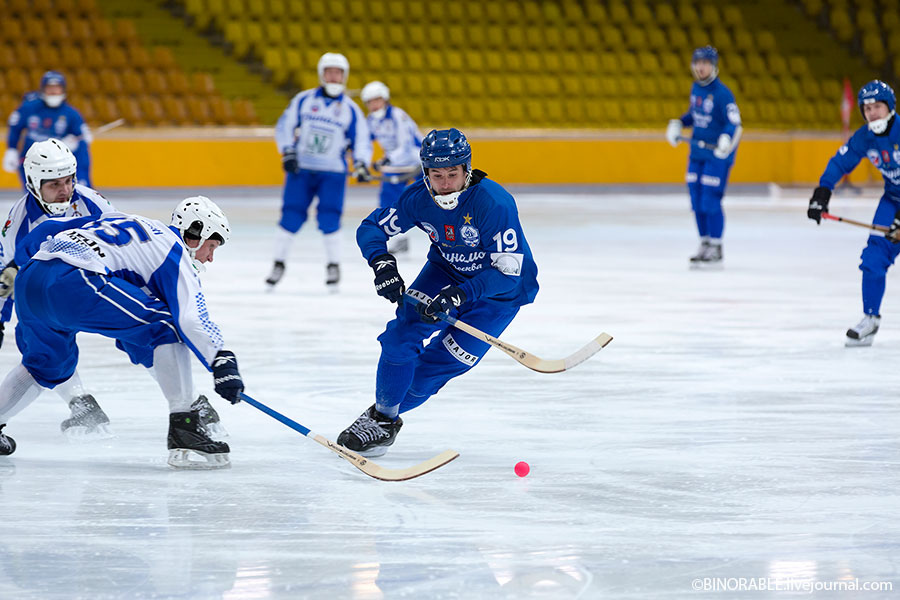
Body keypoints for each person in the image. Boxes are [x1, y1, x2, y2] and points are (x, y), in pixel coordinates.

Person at [0, 140, 225, 439]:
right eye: (54, 184)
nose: (65, 191)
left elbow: (122, 240)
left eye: (69, 181)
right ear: (32, 183)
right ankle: (85, 399)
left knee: (126, 337)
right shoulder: (17, 224)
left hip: (71, 280)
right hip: (62, 282)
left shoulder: (89, 199)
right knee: (155, 326)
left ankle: (185, 399)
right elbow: (5, 279)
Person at [0, 197, 245, 469]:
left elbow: (48, 229)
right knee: (165, 325)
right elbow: (190, 319)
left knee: (45, 365)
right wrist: (222, 359)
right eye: (211, 246)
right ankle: (184, 426)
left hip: (29, 280)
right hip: (73, 280)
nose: (210, 257)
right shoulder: (173, 250)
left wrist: (15, 262)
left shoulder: (122, 220)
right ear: (195, 233)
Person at [337, 128, 539, 457]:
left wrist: (462, 294)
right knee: (400, 337)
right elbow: (371, 227)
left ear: (466, 171)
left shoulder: (494, 203)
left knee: (432, 371)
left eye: (452, 174)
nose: (445, 184)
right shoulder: (418, 198)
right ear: (425, 172)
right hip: (444, 273)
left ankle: (386, 410)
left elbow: (509, 273)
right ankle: (383, 420)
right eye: (436, 175)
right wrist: (382, 264)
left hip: (498, 294)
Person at [268, 52, 373, 290]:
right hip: (302, 169)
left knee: (330, 217)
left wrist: (362, 163)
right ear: (322, 74)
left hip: (333, 172)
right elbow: (285, 125)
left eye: (338, 73)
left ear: (344, 77)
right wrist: (288, 151)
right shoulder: (303, 100)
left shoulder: (350, 109)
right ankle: (279, 262)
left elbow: (362, 140)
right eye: (330, 72)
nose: (334, 77)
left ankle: (333, 265)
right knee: (290, 215)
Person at [807, 80, 900, 347]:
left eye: (877, 107)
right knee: (873, 257)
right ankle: (870, 319)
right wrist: (822, 192)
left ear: (890, 107)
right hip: (892, 200)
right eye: (867, 108)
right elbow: (839, 162)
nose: (872, 113)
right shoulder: (864, 136)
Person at [666, 46, 742, 269]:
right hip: (697, 153)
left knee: (710, 199)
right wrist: (680, 123)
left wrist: (726, 140)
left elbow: (734, 123)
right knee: (696, 200)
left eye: (705, 63)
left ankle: (716, 246)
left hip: (716, 156)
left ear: (714, 66)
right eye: (697, 62)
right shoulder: (696, 89)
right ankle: (704, 242)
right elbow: (695, 115)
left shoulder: (723, 94)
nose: (701, 67)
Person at [360, 80, 423, 254]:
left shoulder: (397, 115)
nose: (374, 105)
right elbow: (364, 143)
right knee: (388, 202)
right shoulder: (371, 120)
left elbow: (406, 145)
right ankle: (400, 240)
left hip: (418, 161)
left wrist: (387, 159)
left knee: (433, 198)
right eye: (370, 102)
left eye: (377, 100)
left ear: (384, 99)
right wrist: (362, 163)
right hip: (396, 164)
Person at [3, 71, 93, 190]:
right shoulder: (29, 108)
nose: (53, 92)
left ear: (63, 90)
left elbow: (82, 136)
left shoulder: (71, 113)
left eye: (57, 88)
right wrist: (12, 150)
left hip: (58, 164)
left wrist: (74, 144)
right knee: (34, 194)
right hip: (33, 160)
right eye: (50, 88)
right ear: (43, 89)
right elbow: (14, 128)